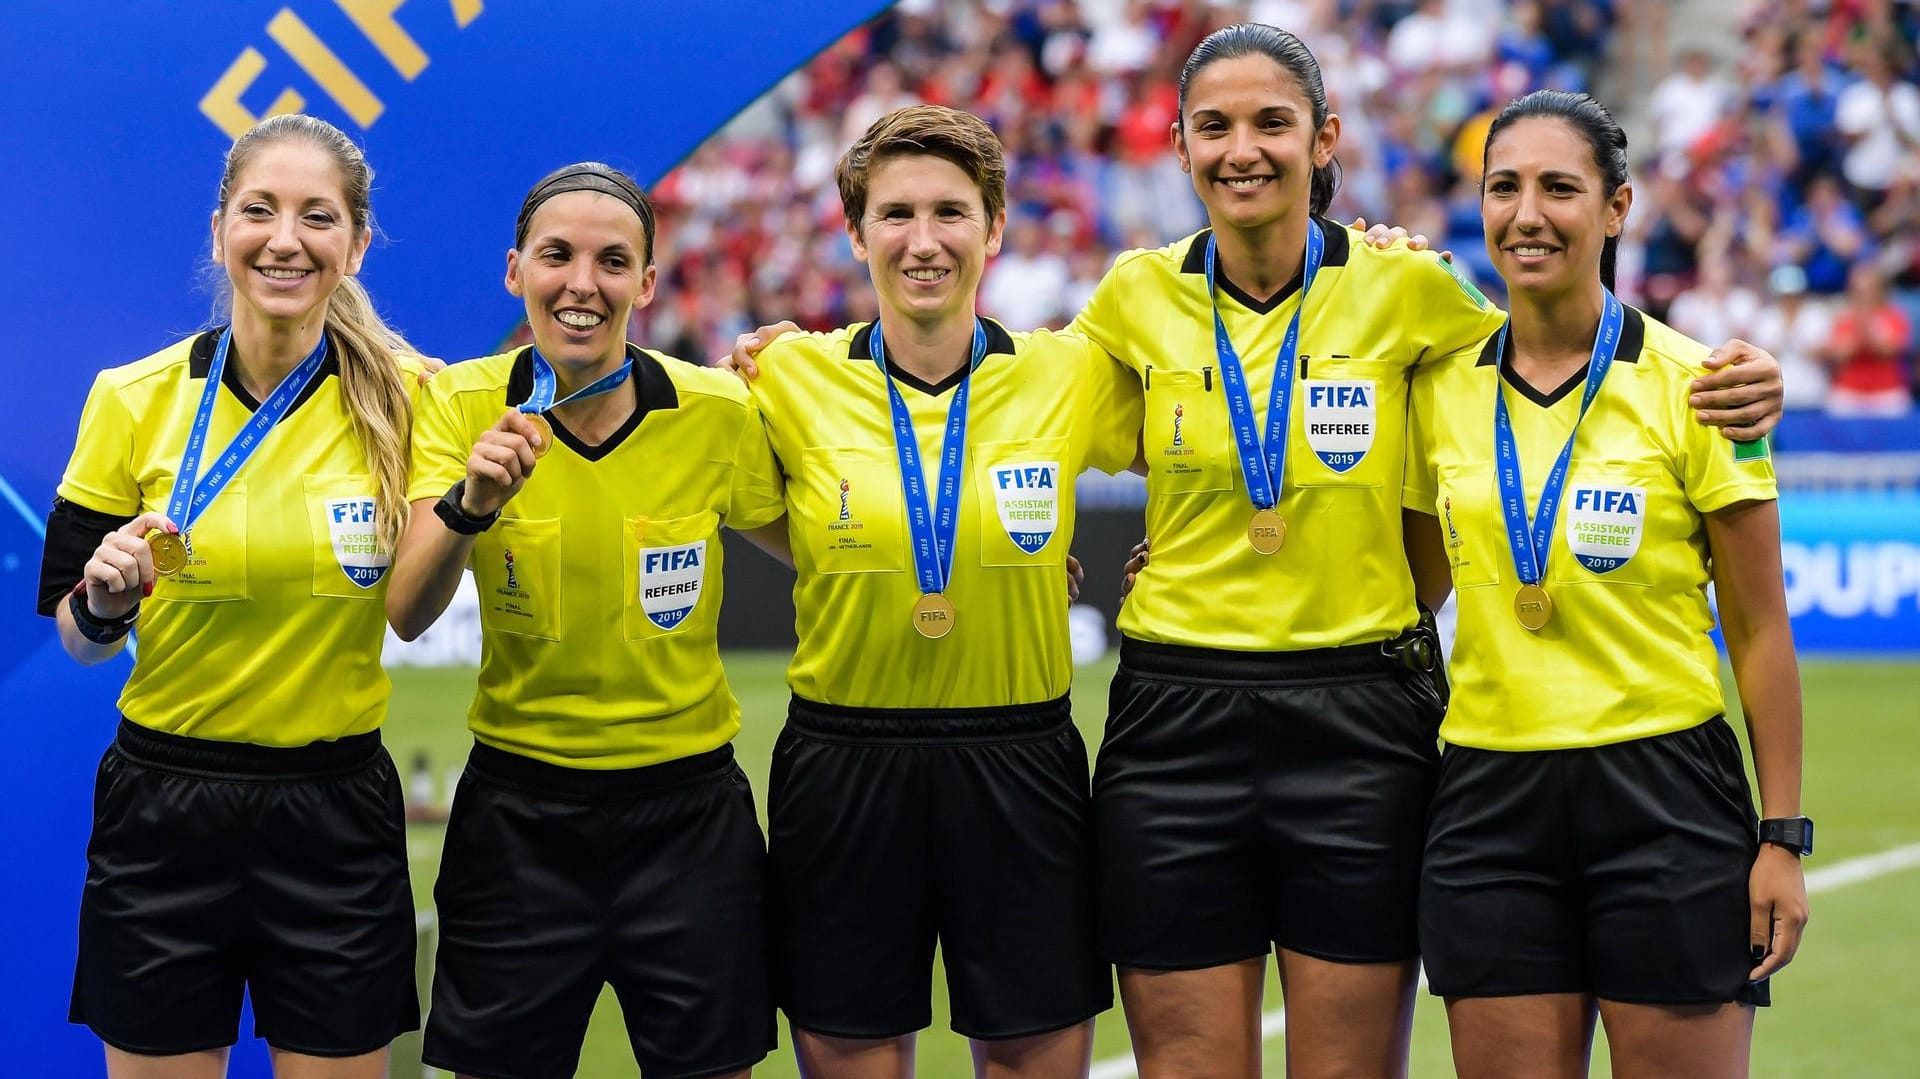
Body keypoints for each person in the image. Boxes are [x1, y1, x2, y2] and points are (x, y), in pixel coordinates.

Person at [1069, 24, 1784, 1079]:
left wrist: (1755, 382)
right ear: (1177, 146)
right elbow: (1006, 414)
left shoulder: (1417, 292)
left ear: (1325, 140)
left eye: (1273, 121)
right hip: (1177, 714)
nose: (1243, 149)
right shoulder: (1134, 294)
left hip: (1362, 719)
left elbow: (1564, 351)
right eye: (1213, 127)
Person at [1404, 89, 1807, 1079]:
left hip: (1665, 792)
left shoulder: (1705, 385)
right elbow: (1404, 586)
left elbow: (1759, 628)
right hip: (1489, 796)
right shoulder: (1433, 384)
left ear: (1617, 208)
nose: (1527, 213)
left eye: (1559, 187)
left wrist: (1783, 838)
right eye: (1504, 188)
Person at [742, 105, 1140, 1079]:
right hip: (844, 760)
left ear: (995, 227)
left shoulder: (1070, 370)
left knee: (1031, 1051)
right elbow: (746, 505)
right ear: (856, 231)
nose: (925, 241)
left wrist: (1165, 550)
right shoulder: (787, 374)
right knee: (851, 1048)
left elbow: (1205, 420)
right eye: (897, 214)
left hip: (1020, 756)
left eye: (952, 213)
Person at [37, 114, 422, 1078]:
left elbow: (569, 394)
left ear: (356, 244)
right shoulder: (131, 396)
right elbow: (74, 632)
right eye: (259, 210)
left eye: (317, 216)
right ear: (219, 231)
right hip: (164, 813)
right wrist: (106, 601)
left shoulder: (418, 398)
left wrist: (774, 356)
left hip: (334, 813)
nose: (284, 238)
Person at [385, 163, 785, 1079]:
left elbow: (832, 545)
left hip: (691, 821)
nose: (582, 283)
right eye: (556, 255)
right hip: (518, 820)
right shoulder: (460, 403)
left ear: (647, 284)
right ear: (514, 269)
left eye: (613, 261)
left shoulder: (717, 410)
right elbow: (408, 611)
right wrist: (472, 500)